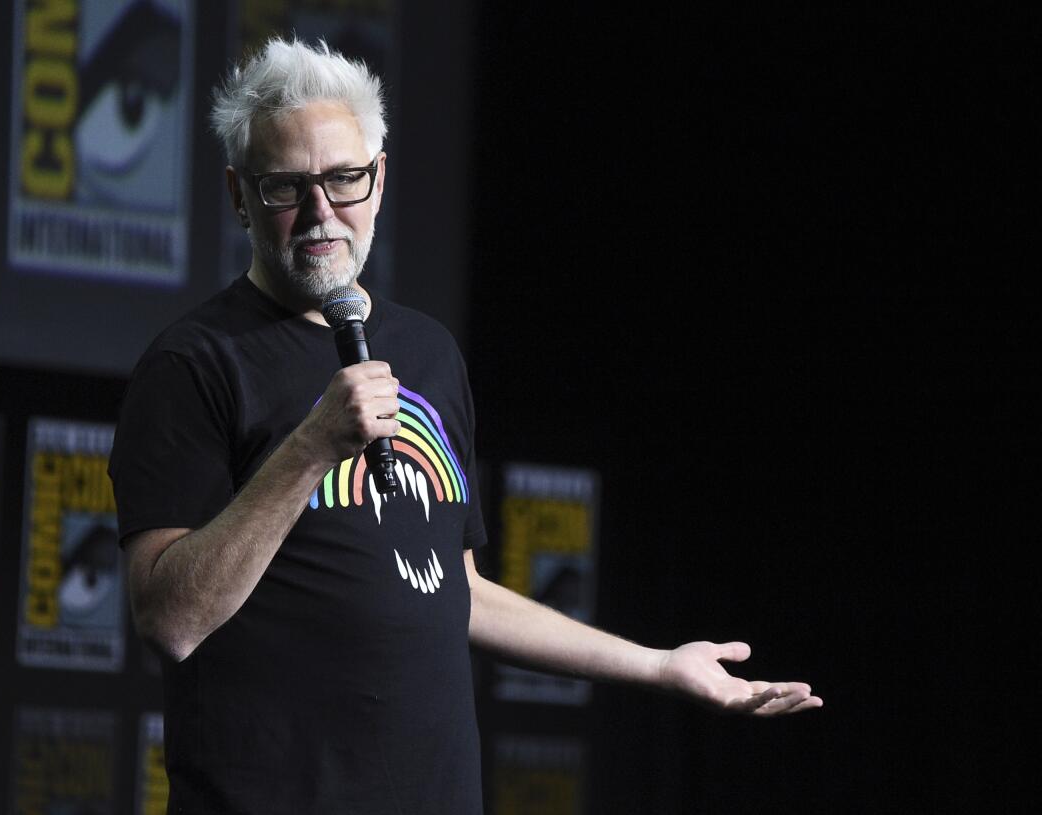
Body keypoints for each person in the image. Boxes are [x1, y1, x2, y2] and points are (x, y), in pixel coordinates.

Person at [108, 37, 822, 814]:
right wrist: (311, 448)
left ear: (379, 180)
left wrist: (657, 666)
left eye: (345, 178)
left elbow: (462, 591)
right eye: (286, 186)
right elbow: (170, 619)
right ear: (239, 196)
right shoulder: (192, 365)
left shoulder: (430, 353)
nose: (321, 211)